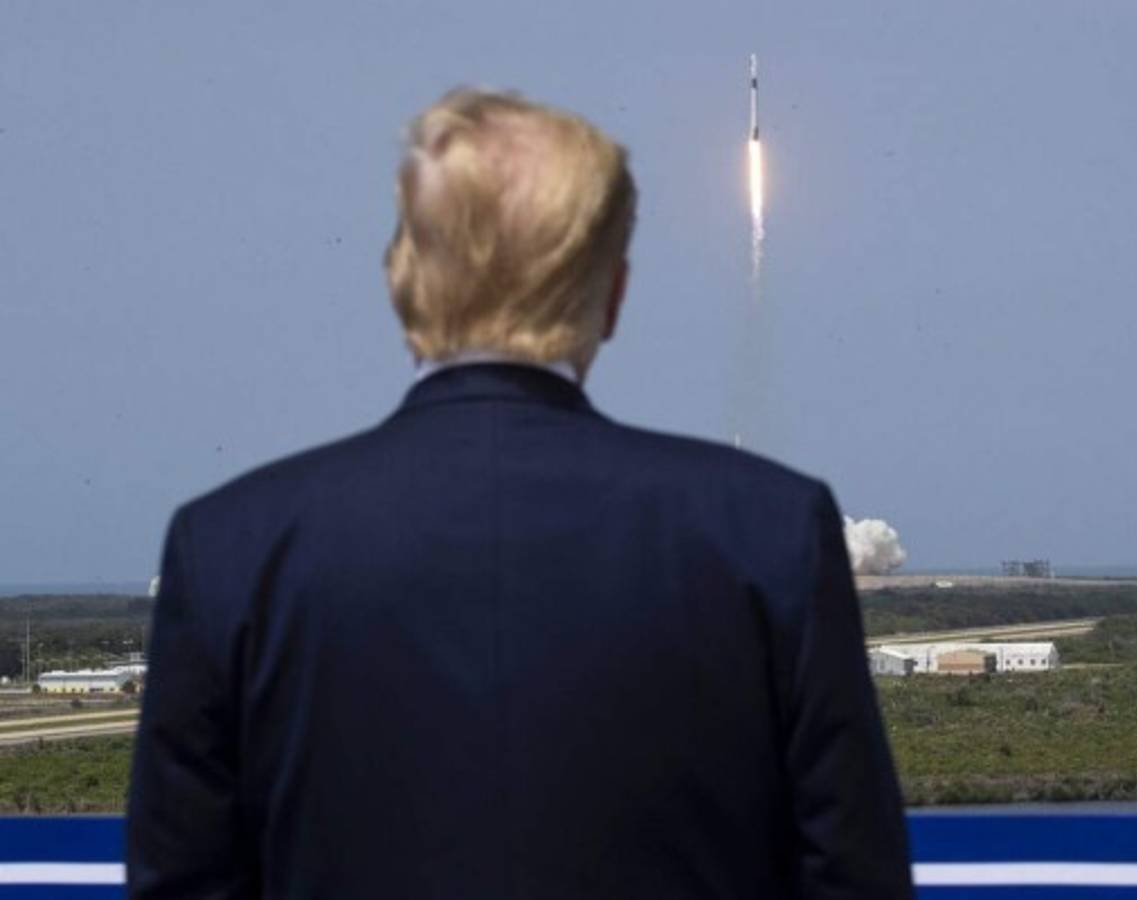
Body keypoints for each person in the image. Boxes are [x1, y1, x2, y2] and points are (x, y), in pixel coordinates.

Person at [127, 88, 913, 899]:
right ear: (611, 296)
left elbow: (182, 880)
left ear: (402, 280)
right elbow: (853, 875)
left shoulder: (228, 547)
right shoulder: (769, 532)